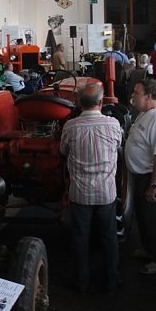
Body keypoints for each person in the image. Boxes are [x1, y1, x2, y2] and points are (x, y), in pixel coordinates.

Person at [60, 83, 123, 292]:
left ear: (78, 103)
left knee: (80, 238)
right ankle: (111, 279)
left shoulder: (70, 127)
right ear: (101, 102)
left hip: (80, 193)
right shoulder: (113, 125)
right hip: (106, 192)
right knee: (108, 237)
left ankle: (81, 281)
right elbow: (118, 147)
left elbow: (63, 150)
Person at [125, 79, 156, 275]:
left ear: (149, 96)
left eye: (137, 93)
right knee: (143, 217)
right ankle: (148, 250)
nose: (133, 97)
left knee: (152, 219)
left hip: (152, 177)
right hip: (141, 175)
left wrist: (153, 184)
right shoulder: (145, 114)